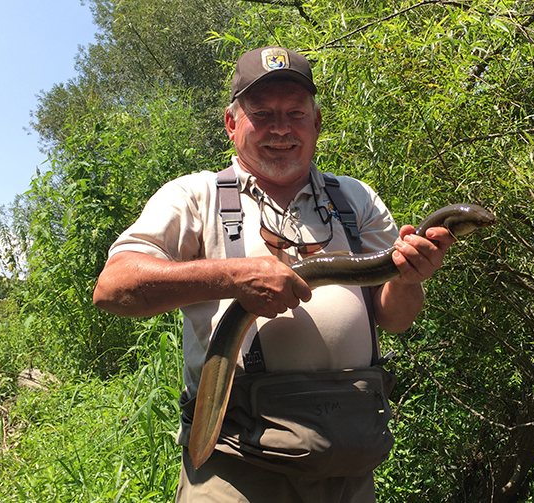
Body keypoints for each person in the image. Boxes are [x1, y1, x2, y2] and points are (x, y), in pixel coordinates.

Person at [93, 46, 455, 503]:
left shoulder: (357, 199)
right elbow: (113, 287)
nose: (280, 127)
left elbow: (396, 319)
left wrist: (408, 279)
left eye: (295, 113)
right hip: (237, 463)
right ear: (231, 123)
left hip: (351, 458)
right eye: (261, 113)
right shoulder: (194, 195)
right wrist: (230, 277)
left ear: (317, 123)